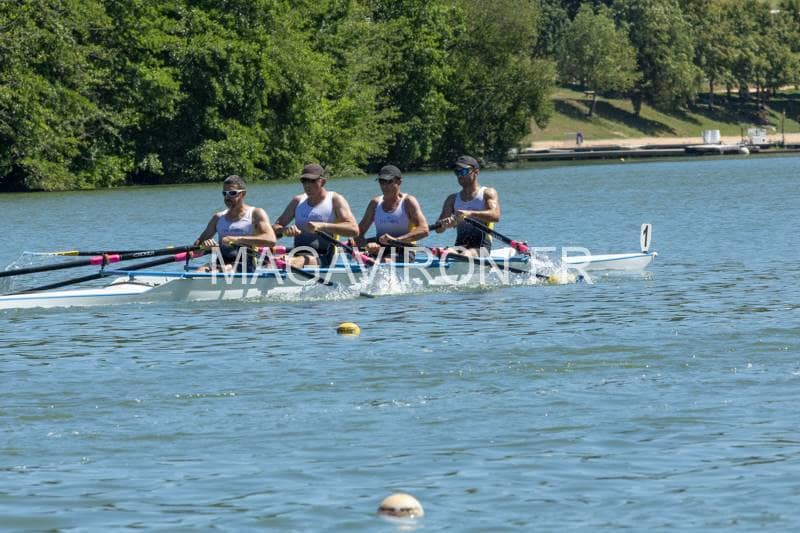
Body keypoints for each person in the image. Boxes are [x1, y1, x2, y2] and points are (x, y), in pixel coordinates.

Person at [272, 163, 359, 267]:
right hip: (298, 253)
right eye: (304, 181)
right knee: (271, 261)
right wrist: (284, 230)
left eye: (312, 181)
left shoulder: (335, 200)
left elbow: (354, 230)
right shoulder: (297, 201)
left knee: (293, 261)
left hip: (325, 256)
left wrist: (323, 226)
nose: (307, 185)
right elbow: (273, 229)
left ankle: (288, 265)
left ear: (323, 181)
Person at [194, 175, 277, 271]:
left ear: (243, 194)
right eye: (224, 193)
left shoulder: (256, 213)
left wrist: (237, 239)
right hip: (221, 261)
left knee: (224, 269)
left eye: (232, 193)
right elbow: (195, 249)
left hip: (246, 262)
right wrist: (204, 246)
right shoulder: (218, 218)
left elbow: (271, 240)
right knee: (200, 271)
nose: (227, 197)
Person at [356, 165, 429, 261]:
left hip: (404, 249)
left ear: (399, 182)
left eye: (389, 181)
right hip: (380, 249)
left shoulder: (408, 202)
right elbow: (358, 233)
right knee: (357, 252)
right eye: (382, 181)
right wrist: (365, 246)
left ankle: (381, 261)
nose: (385, 186)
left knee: (385, 260)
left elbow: (424, 230)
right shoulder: (375, 203)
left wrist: (396, 240)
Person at [435, 155, 500, 256]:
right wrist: (445, 224)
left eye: (464, 171)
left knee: (466, 254)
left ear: (476, 172)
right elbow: (438, 230)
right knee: (440, 252)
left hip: (482, 248)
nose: (460, 175)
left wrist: (469, 214)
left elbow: (495, 216)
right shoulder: (452, 199)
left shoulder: (487, 193)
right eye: (457, 172)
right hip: (460, 247)